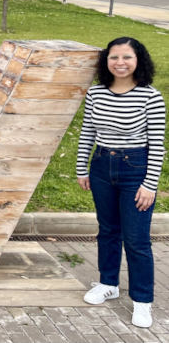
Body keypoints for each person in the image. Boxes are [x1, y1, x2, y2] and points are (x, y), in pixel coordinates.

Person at [77, 37, 165, 329]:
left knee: (137, 239)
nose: (120, 63)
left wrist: (150, 184)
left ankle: (142, 300)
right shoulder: (96, 94)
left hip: (135, 169)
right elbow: (88, 132)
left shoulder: (150, 97)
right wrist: (82, 169)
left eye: (127, 57)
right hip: (102, 166)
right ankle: (108, 283)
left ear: (138, 60)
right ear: (106, 61)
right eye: (114, 57)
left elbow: (157, 145)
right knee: (108, 230)